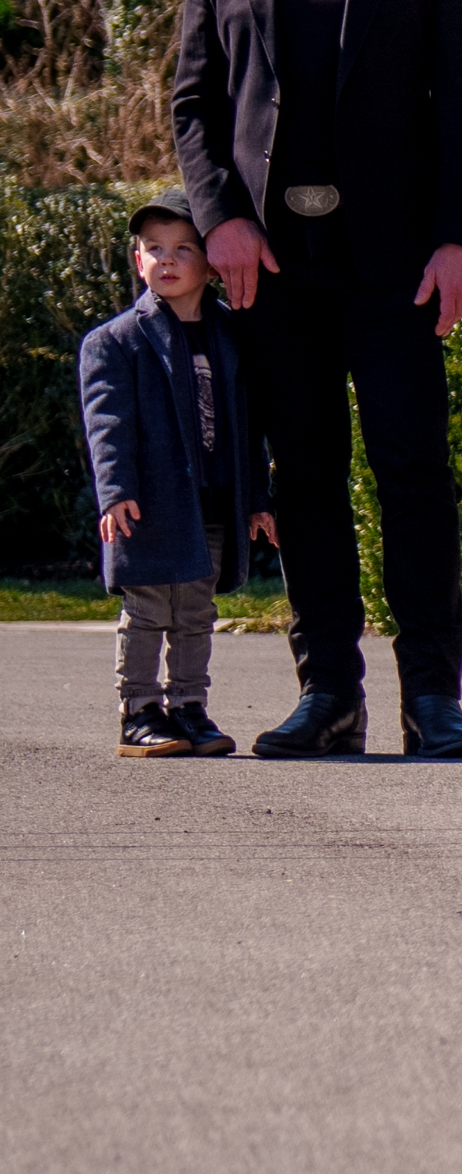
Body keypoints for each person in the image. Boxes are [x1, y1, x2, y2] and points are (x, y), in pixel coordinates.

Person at [171, 0, 462, 761]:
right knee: (303, 476)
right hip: (274, 267)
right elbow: (193, 101)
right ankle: (330, 695)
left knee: (413, 474)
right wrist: (218, 214)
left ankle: (432, 699)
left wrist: (459, 238)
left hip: (396, 264)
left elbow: (461, 107)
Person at [82, 188, 274, 757]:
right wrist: (115, 492)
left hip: (213, 503)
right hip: (149, 507)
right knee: (146, 612)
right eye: (153, 248)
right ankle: (138, 710)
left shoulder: (232, 334)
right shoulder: (115, 342)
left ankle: (189, 707)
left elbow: (248, 425)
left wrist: (258, 496)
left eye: (183, 249)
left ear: (212, 261)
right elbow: (107, 425)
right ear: (137, 258)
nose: (166, 260)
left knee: (195, 611)